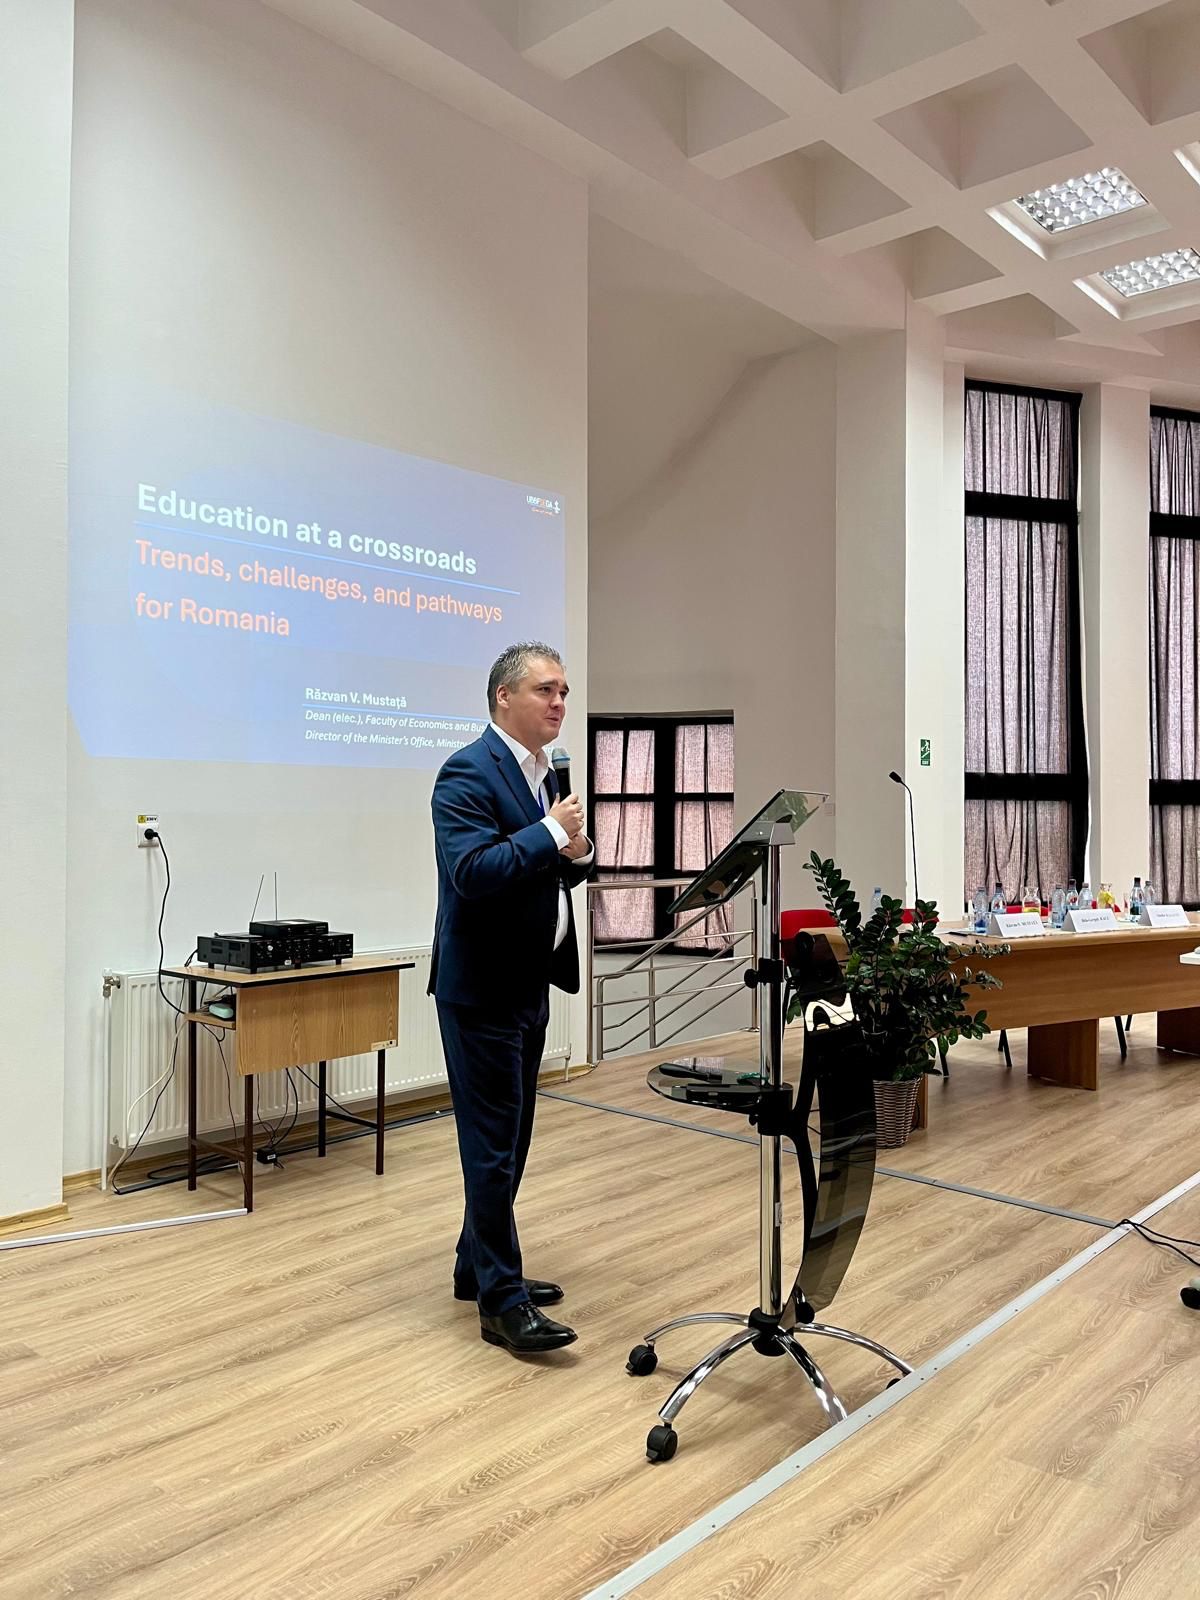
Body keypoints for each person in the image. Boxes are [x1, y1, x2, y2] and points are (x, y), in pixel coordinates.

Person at [430, 642, 593, 1354]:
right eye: (545, 690)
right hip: (482, 990)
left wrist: (576, 852)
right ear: (504, 696)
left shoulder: (541, 774)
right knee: (492, 1148)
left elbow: (543, 869)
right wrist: (552, 830)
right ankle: (502, 1303)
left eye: (563, 692)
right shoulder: (467, 771)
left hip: (529, 982)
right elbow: (472, 872)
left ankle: (475, 1267)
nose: (559, 703)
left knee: (513, 1139)